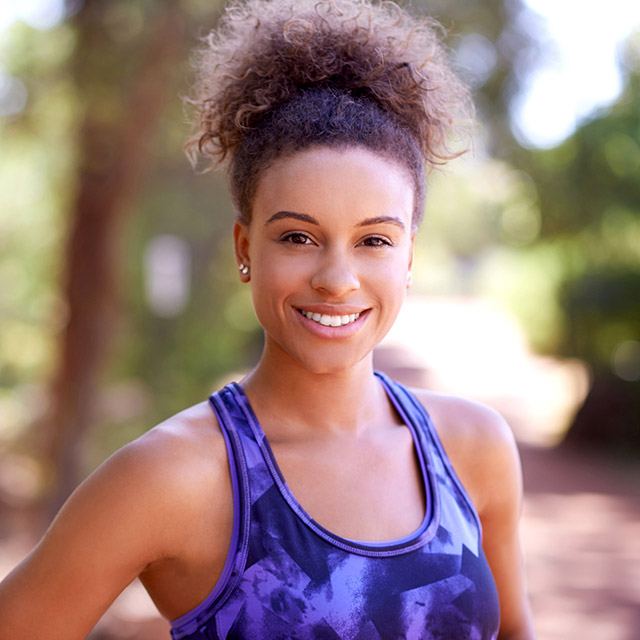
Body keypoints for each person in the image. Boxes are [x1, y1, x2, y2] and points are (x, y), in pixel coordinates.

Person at [0, 0, 535, 638]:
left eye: (374, 240)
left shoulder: (474, 447)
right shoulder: (175, 476)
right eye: (299, 238)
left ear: (410, 256)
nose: (338, 279)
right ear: (245, 248)